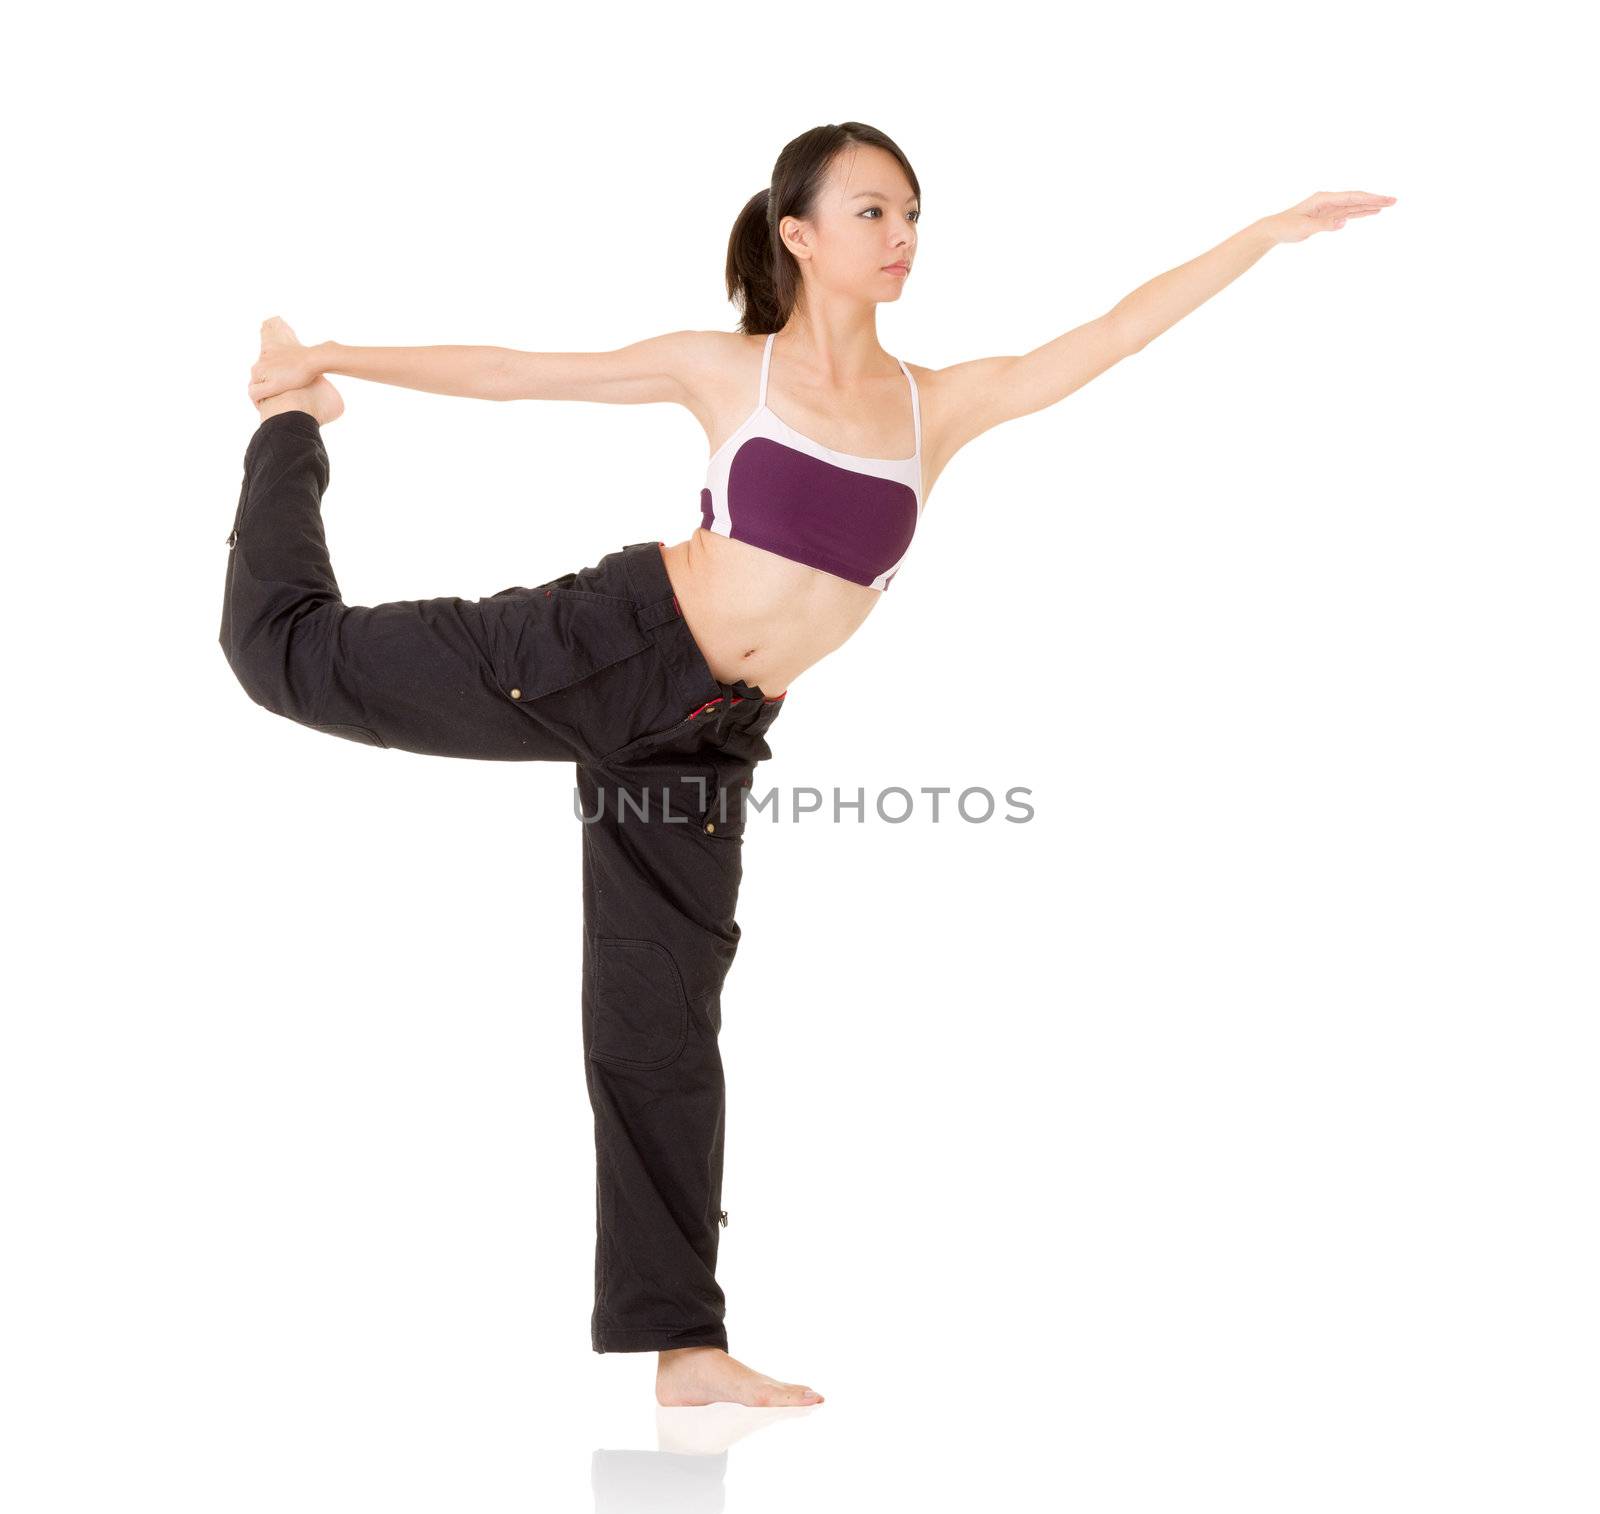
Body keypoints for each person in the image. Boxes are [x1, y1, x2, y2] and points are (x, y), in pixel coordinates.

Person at [225, 119, 1395, 1407]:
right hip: (613, 646)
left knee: (660, 1031)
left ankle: (685, 1350)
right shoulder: (732, 373)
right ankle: (292, 426)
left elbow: (1107, 336)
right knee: (287, 659)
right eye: (873, 214)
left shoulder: (933, 406)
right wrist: (328, 360)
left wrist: (1261, 237)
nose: (901, 240)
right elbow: (515, 373)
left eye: (911, 218)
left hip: (707, 735)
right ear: (798, 234)